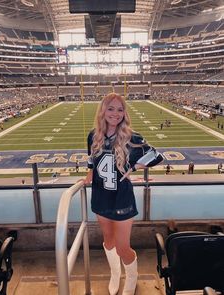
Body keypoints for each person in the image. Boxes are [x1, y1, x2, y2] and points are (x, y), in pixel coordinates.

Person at [84, 93, 163, 295]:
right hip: (100, 196)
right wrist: (89, 175)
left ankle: (132, 277)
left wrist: (134, 167)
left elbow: (156, 155)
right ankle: (114, 272)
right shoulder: (94, 135)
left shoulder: (131, 137)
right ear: (102, 110)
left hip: (122, 199)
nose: (115, 113)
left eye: (120, 109)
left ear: (124, 113)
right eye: (111, 108)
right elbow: (91, 159)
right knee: (108, 241)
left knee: (122, 247)